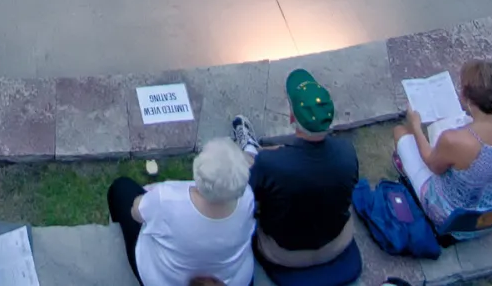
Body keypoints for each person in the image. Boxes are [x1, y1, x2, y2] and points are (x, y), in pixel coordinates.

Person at [231, 70, 358, 274]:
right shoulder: (348, 152)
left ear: (292, 117)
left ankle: (249, 147)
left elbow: (248, 197)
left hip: (283, 254)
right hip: (336, 244)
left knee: (247, 164)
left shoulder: (269, 163)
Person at [106, 138, 255, 286]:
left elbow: (136, 213)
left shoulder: (167, 199)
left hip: (166, 280)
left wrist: (150, 198)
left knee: (122, 188)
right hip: (232, 280)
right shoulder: (247, 197)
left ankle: (113, 220)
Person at [394, 59, 492, 230]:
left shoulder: (453, 140)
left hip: (451, 218)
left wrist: (415, 127)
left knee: (400, 132)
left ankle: (406, 170)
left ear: (465, 97)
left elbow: (432, 164)